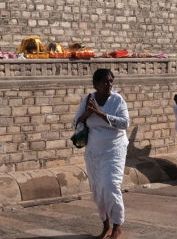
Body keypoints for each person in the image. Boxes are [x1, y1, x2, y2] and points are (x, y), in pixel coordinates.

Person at [73, 68, 129, 239]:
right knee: (98, 189)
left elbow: (125, 123)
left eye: (111, 81)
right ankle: (105, 226)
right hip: (94, 151)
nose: (109, 84)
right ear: (96, 84)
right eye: (105, 81)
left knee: (111, 185)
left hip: (114, 148)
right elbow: (76, 121)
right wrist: (88, 113)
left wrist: (101, 114)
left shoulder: (118, 101)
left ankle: (117, 225)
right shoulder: (89, 99)